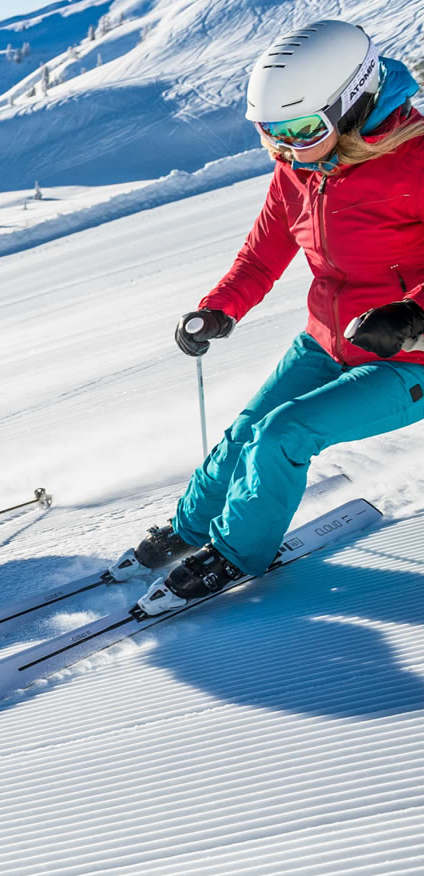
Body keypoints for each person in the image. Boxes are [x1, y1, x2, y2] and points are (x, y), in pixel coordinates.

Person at [134, 20, 424, 616]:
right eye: (271, 134)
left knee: (283, 434)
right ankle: (191, 527)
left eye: (300, 130)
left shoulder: (415, 162)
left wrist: (412, 315)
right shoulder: (301, 167)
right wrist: (219, 308)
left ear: (353, 103)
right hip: (327, 340)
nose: (287, 149)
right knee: (244, 431)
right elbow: (264, 251)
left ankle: (237, 554)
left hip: (406, 356)